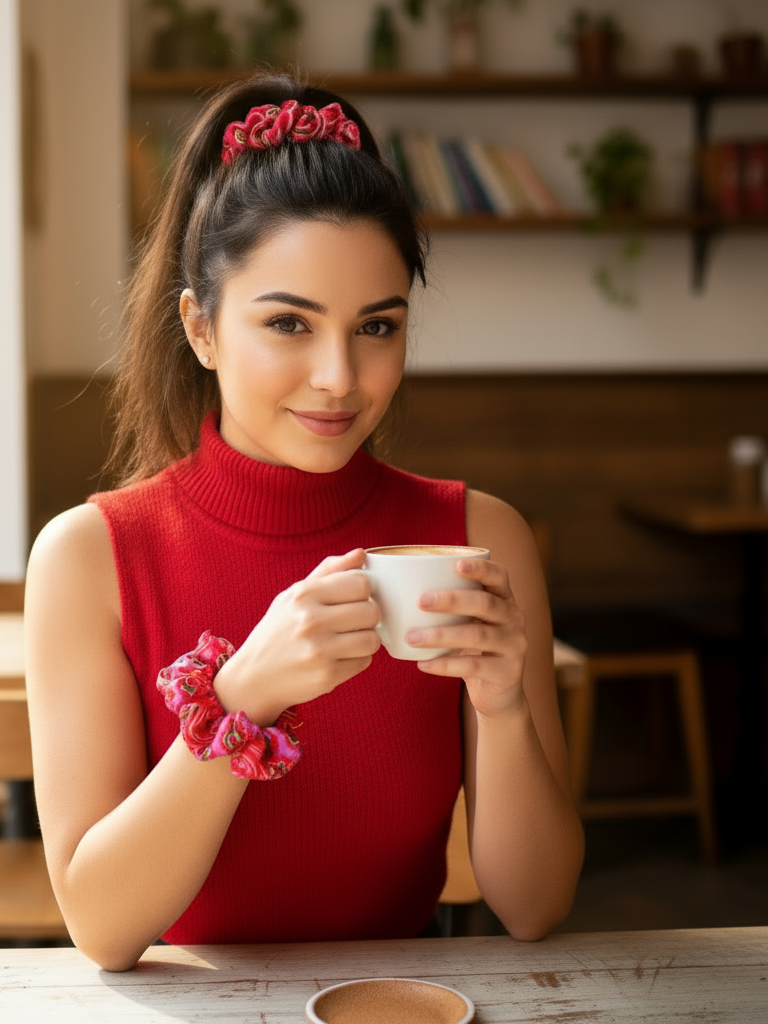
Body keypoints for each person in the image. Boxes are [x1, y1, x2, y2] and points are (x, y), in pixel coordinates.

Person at [25, 72, 584, 972]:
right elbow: (103, 928)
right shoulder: (91, 558)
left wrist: (506, 703)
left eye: (377, 327)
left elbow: (534, 908)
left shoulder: (479, 539)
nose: (339, 376)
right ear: (201, 330)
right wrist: (241, 698)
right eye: (290, 323)